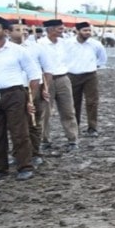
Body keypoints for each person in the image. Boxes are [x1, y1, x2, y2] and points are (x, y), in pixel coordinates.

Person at [0, 15, 41, 181]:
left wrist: (30, 99)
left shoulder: (18, 51)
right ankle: (0, 168)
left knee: (19, 132)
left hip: (14, 94)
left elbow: (34, 75)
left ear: (5, 31)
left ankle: (24, 166)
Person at [37, 19, 80, 151]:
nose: (63, 31)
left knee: (68, 110)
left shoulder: (64, 43)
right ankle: (44, 140)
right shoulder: (39, 44)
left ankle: (73, 139)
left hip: (63, 78)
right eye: (60, 29)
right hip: (45, 80)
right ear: (50, 29)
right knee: (45, 112)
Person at [63, 22, 108, 136]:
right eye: (84, 30)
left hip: (90, 76)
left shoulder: (96, 44)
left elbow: (102, 59)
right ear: (77, 31)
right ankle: (75, 127)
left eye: (89, 30)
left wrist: (93, 66)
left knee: (92, 102)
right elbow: (61, 57)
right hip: (72, 75)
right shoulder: (67, 43)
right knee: (74, 102)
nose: (87, 32)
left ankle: (92, 128)